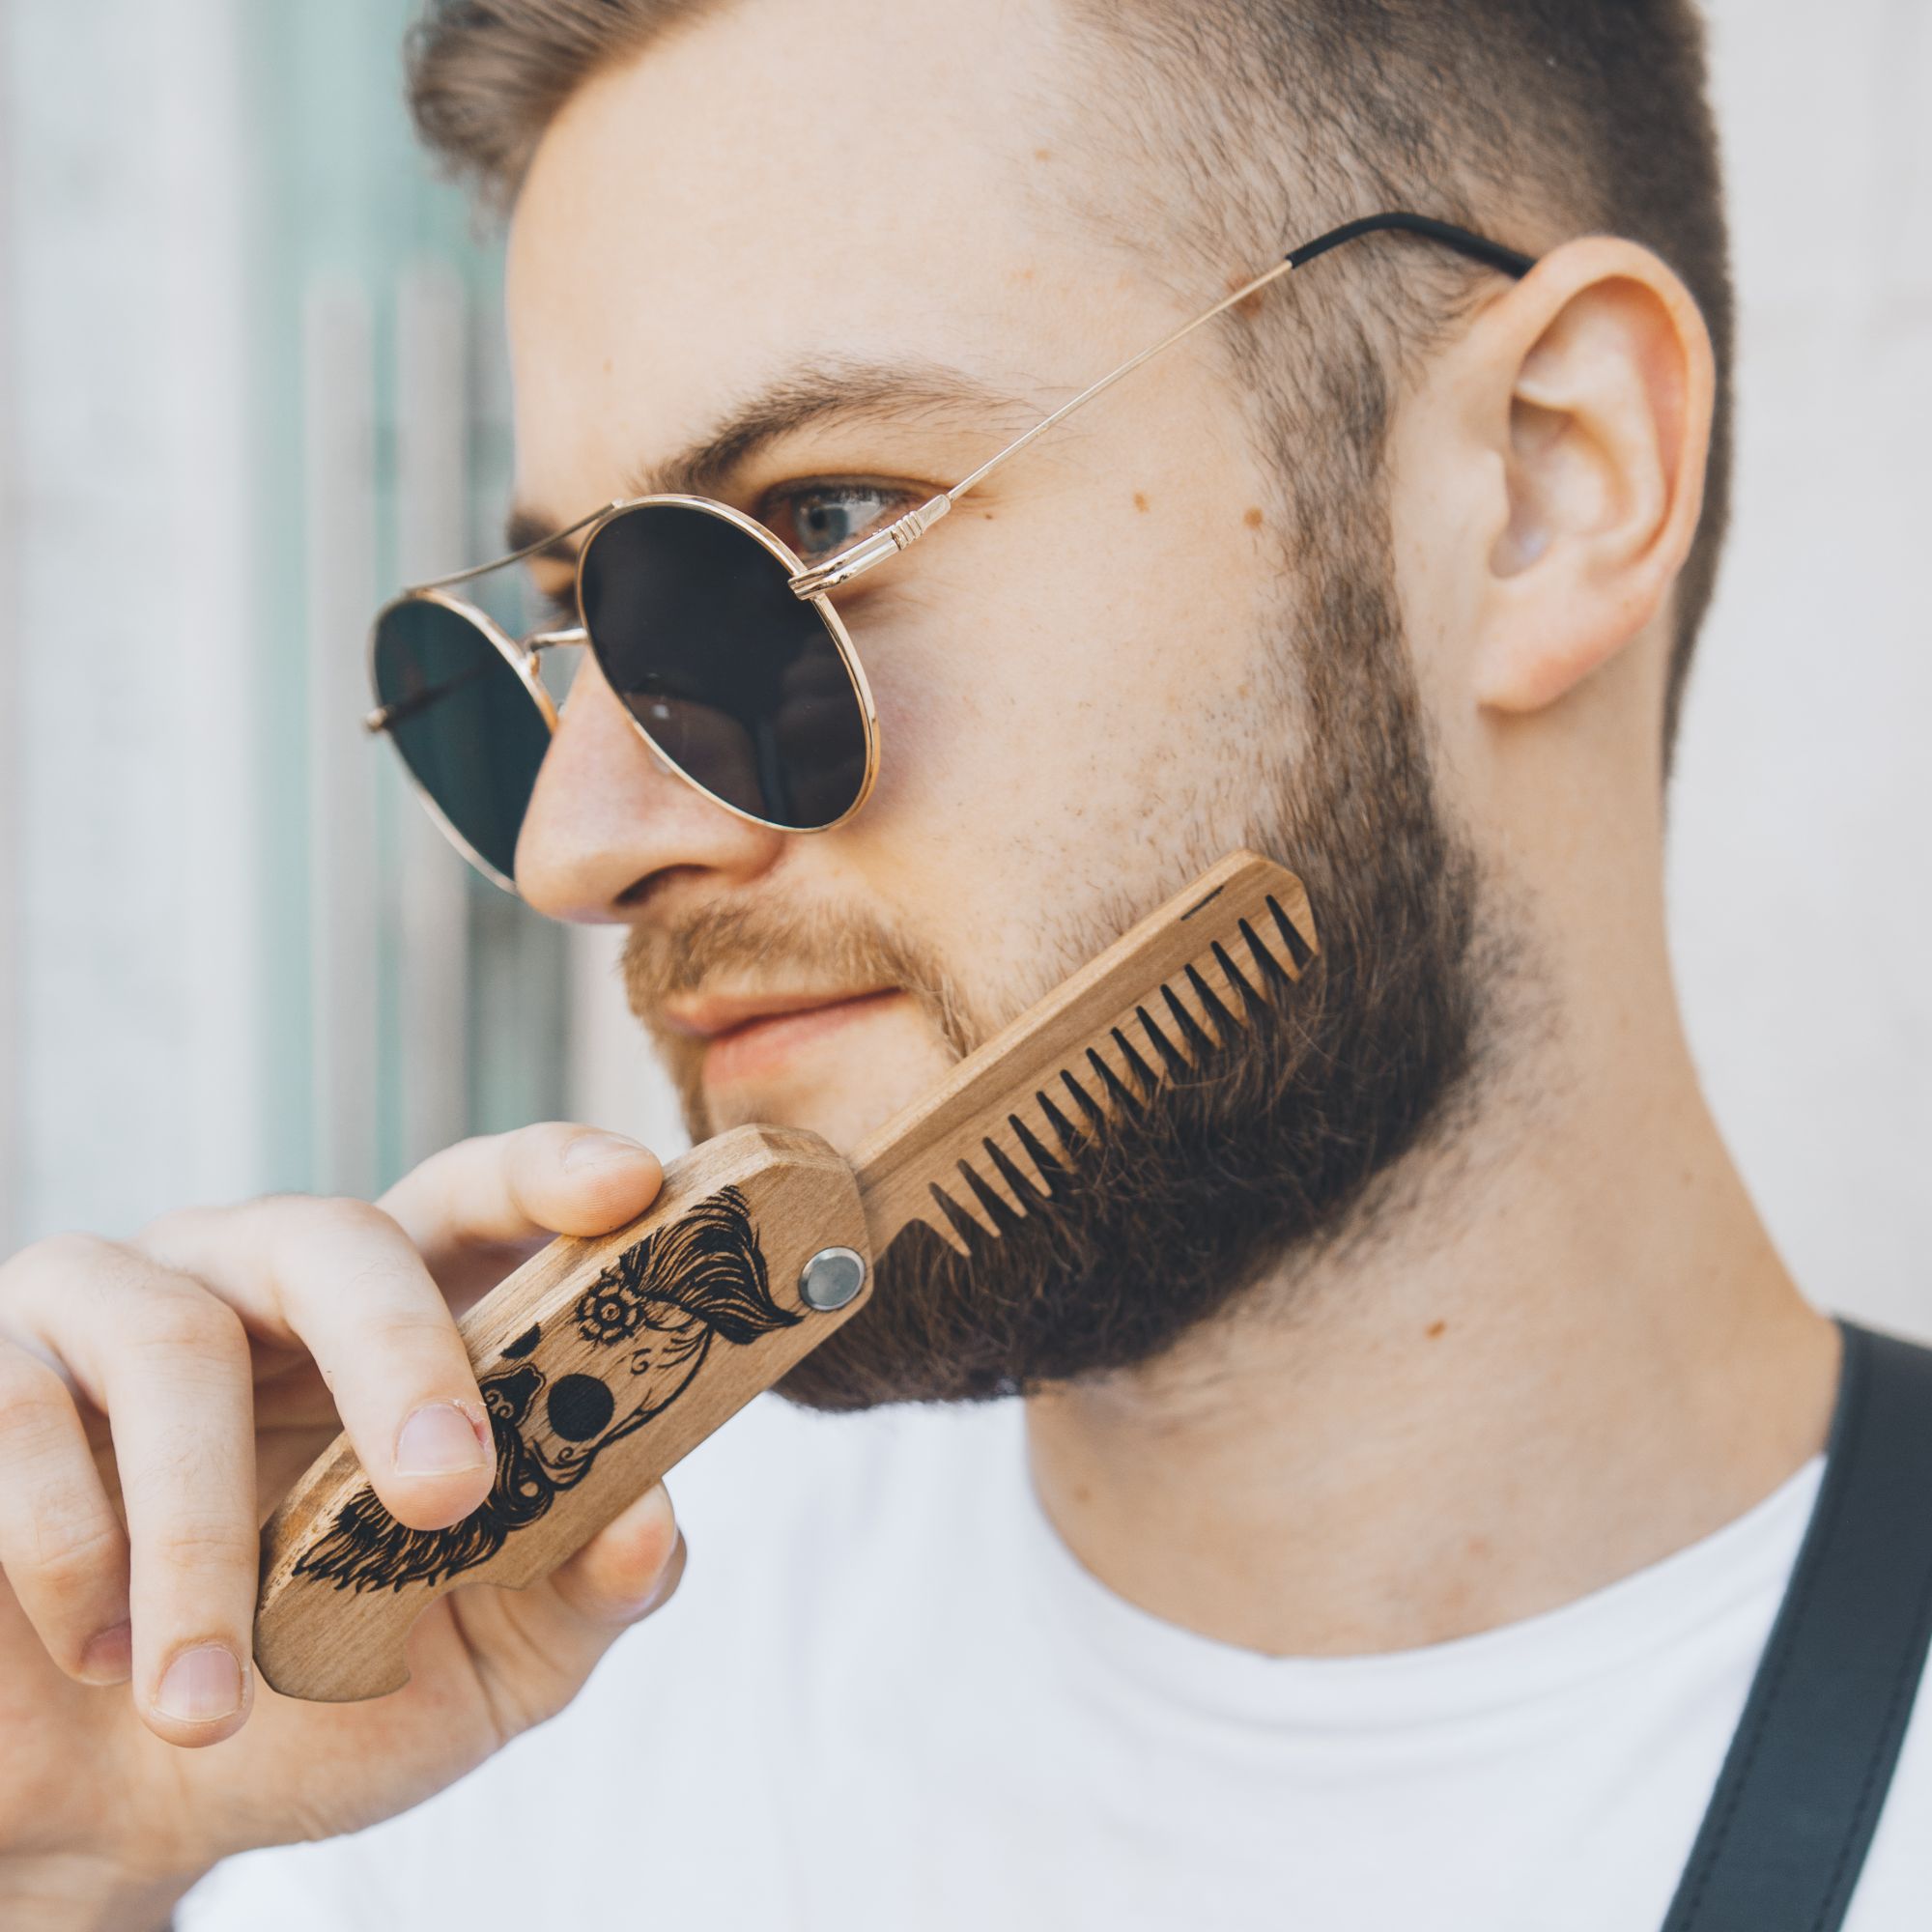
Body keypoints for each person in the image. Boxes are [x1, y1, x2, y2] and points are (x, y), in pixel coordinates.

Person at [1, 0, 1920, 1926]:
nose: (586, 846)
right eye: (581, 622)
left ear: (1539, 480)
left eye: (810, 527)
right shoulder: (455, 1705)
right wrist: (66, 1859)